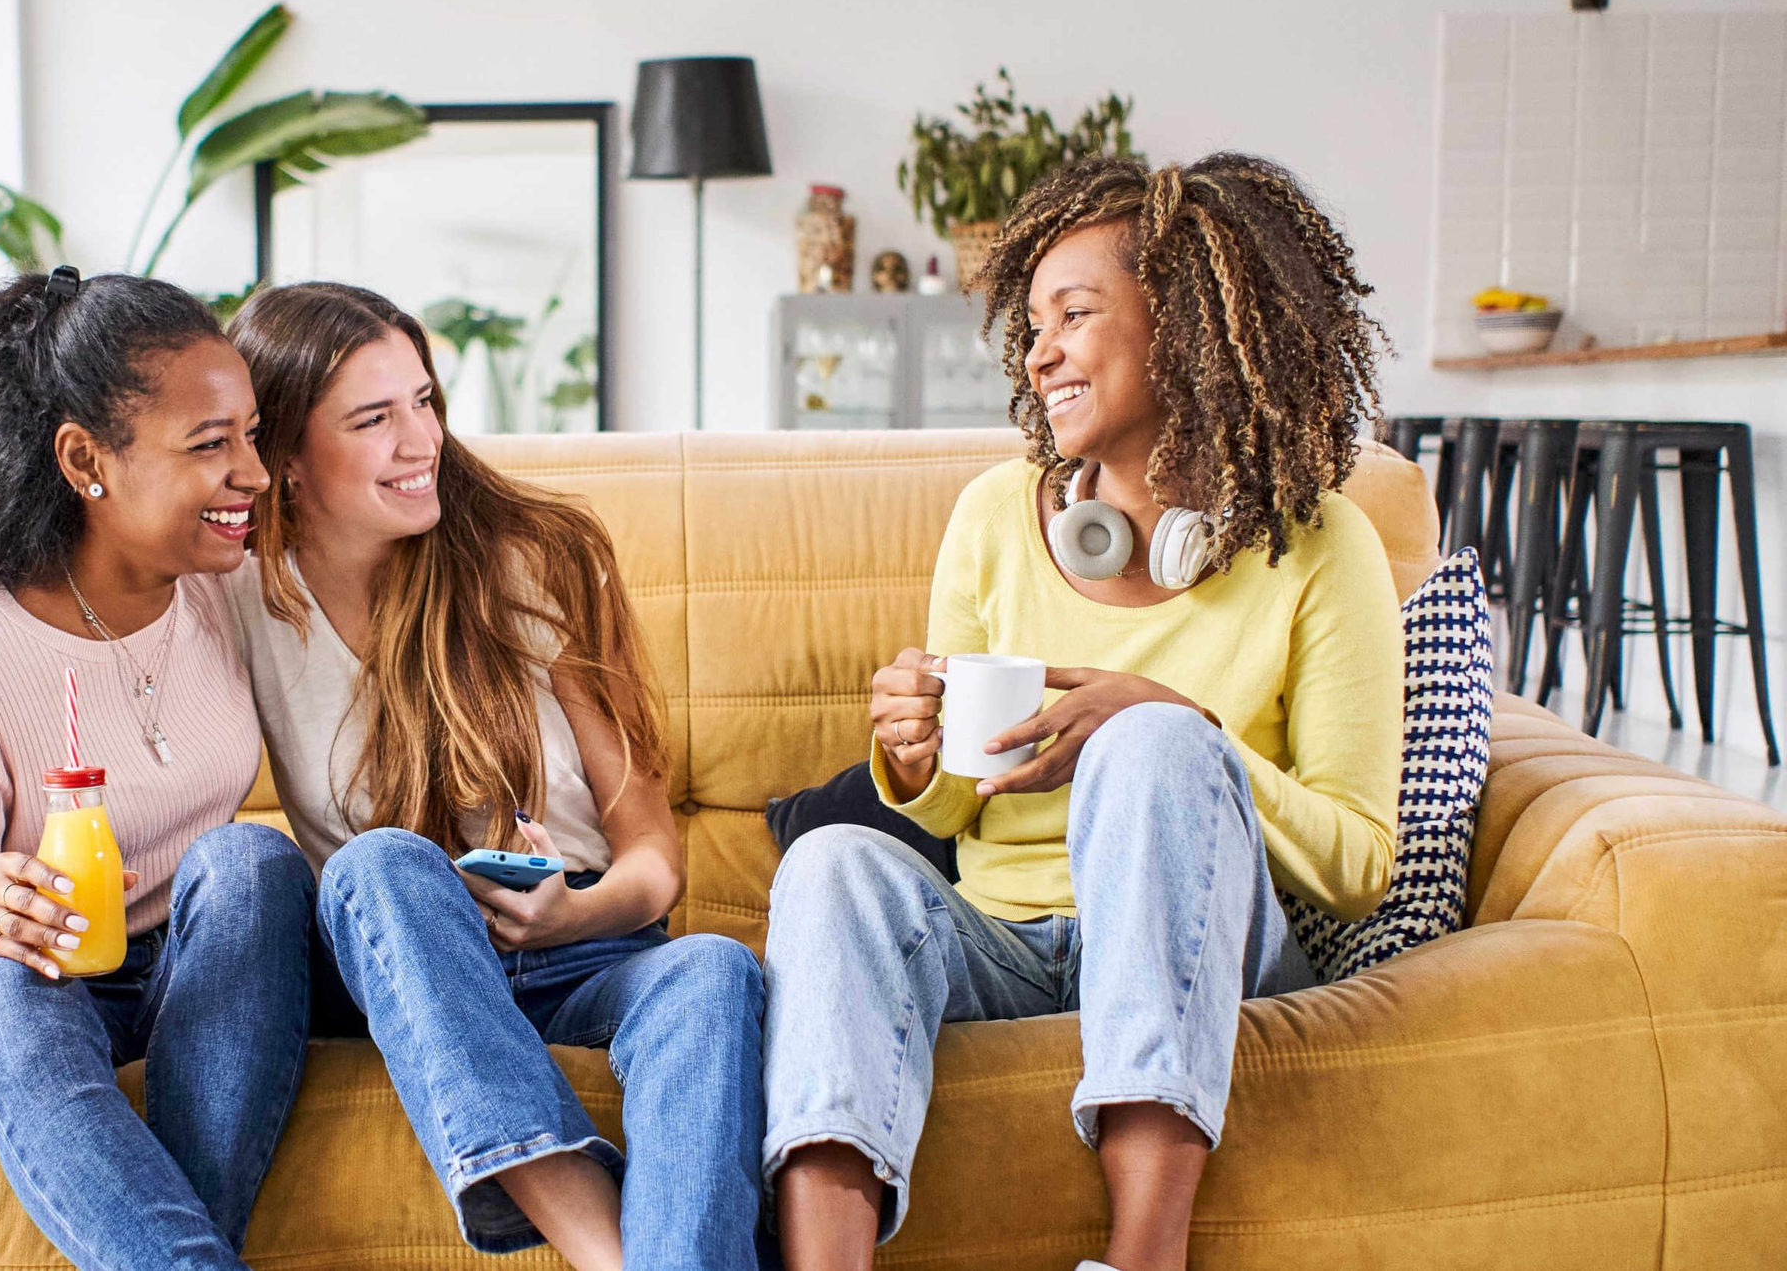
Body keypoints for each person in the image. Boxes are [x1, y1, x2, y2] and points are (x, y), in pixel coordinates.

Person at [763, 156, 1403, 1271]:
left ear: (1187, 325)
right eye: (1030, 325)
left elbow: (1357, 862)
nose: (1037, 351)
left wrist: (1182, 725)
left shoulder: (1322, 542)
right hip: (1004, 941)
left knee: (1153, 741)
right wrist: (914, 759)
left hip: (1199, 940)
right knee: (831, 867)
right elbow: (962, 805)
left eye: (1074, 314)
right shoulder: (992, 517)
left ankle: (1143, 1258)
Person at [222, 282, 765, 1271]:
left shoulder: (526, 560)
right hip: (400, 971)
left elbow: (652, 858)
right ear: (287, 457)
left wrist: (569, 914)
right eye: (373, 418)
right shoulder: (237, 596)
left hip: (584, 949)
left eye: (424, 402)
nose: (419, 439)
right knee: (377, 864)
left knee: (715, 969)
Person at [0, 269, 312, 1271]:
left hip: (181, 981)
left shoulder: (218, 598)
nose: (254, 474)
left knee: (254, 864)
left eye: (248, 434)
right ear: (84, 459)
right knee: (8, 988)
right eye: (210, 445)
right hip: (33, 1000)